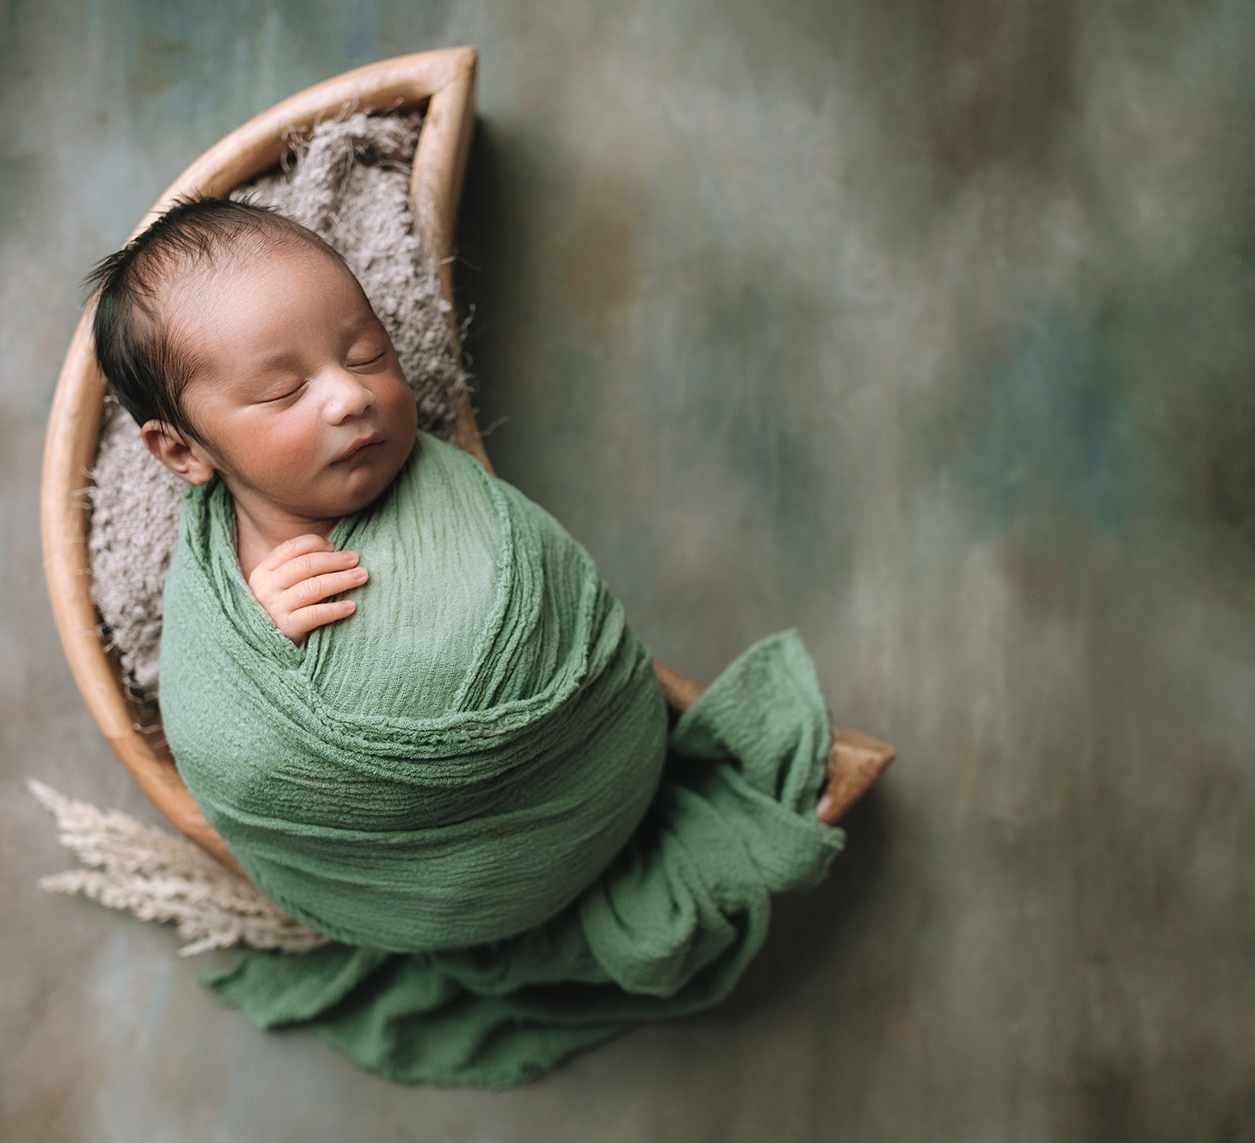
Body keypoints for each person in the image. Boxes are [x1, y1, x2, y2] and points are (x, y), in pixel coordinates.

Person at [86, 196, 891, 1088]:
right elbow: (218, 734)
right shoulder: (217, 577)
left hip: (588, 767)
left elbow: (552, 586)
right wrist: (250, 617)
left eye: (368, 352)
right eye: (284, 391)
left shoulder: (439, 487)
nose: (352, 395)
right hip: (404, 866)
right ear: (184, 451)